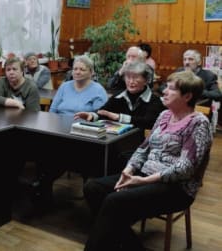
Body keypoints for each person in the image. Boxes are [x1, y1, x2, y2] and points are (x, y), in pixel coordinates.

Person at [83, 70, 213, 251]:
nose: (164, 92)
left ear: (187, 96)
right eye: (166, 87)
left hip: (176, 188)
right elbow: (143, 148)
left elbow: (185, 168)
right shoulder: (164, 116)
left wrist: (142, 180)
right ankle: (132, 245)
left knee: (114, 202)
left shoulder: (198, 124)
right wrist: (128, 170)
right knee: (93, 188)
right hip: (144, 175)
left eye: (171, 89)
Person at [75, 61, 165, 132]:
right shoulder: (119, 96)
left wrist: (119, 117)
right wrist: (92, 115)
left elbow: (149, 122)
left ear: (146, 80)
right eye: (128, 77)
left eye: (135, 77)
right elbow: (104, 111)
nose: (131, 81)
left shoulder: (154, 100)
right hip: (118, 142)